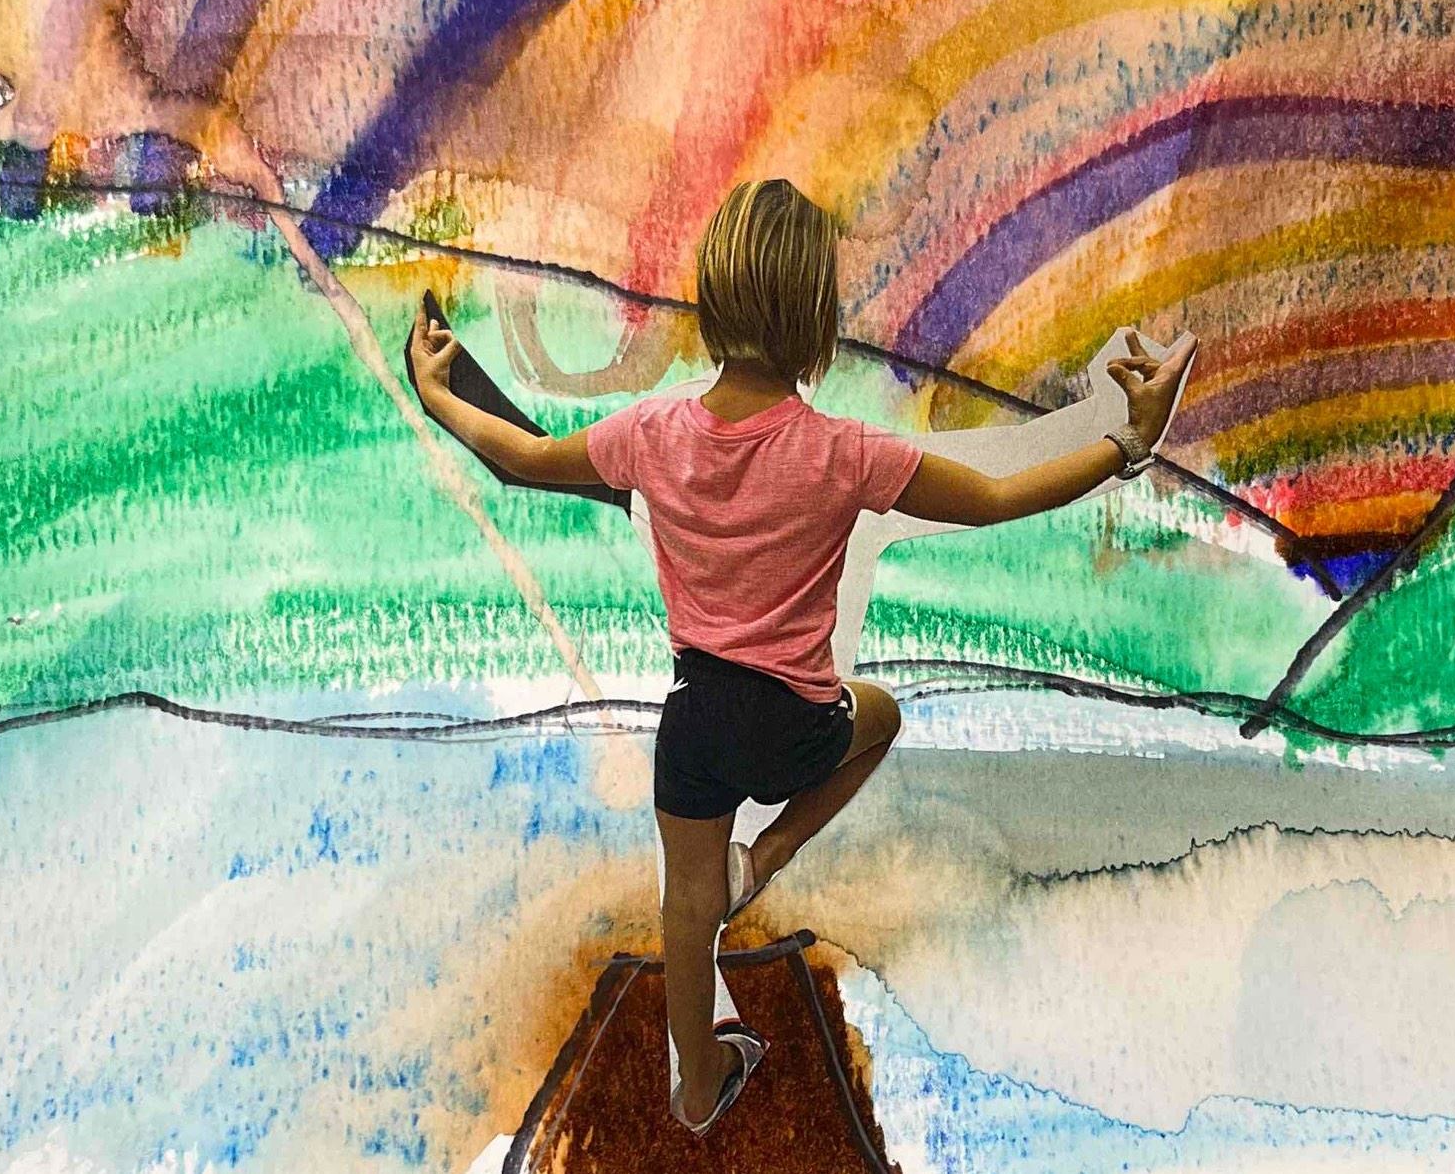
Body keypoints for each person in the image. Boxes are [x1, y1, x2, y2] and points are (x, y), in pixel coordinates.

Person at [407, 178, 1196, 1135]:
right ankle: (770, 856)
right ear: (818, 324)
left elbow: (522, 459)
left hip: (693, 722)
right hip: (792, 725)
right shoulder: (844, 452)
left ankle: (698, 1083)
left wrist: (437, 392)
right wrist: (1129, 440)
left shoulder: (651, 433)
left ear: (712, 305)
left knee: (686, 906)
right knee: (882, 717)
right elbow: (997, 498)